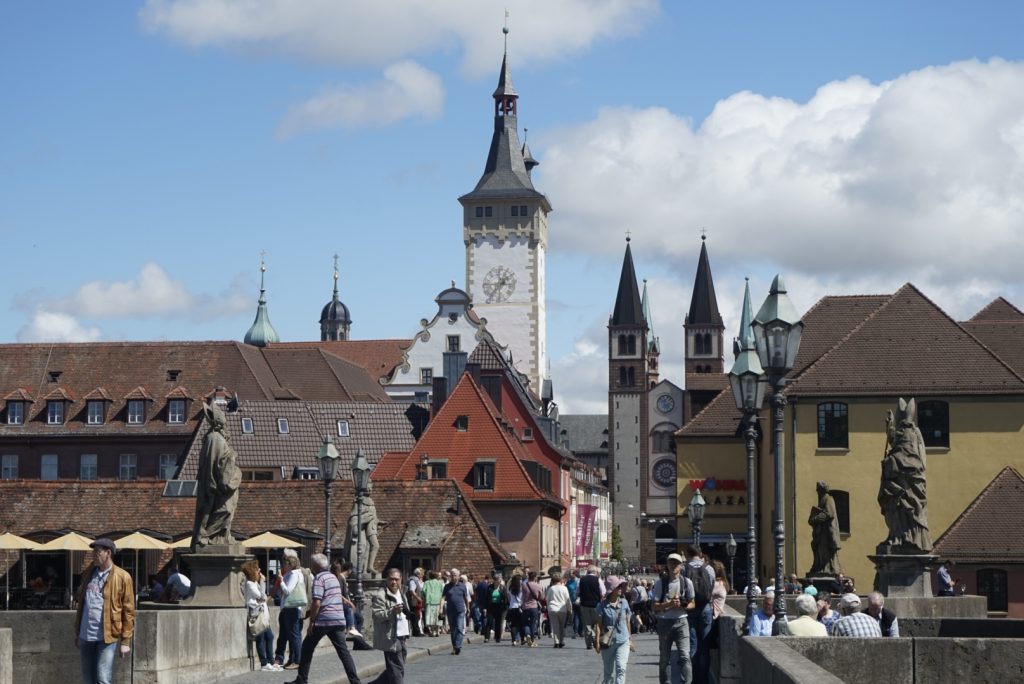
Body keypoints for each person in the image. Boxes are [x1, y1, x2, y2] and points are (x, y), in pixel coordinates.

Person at [285, 553, 361, 684]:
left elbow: (317, 603)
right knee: (344, 653)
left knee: (307, 647)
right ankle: (355, 681)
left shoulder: (319, 579)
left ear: (315, 565)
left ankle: (302, 679)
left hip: (324, 620)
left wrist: (312, 622)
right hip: (338, 619)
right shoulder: (334, 578)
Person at [75, 538, 135, 684]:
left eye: (97, 551)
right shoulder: (89, 573)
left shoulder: (122, 577)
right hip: (85, 636)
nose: (93, 555)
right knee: (88, 679)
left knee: (103, 678)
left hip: (107, 637)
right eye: (93, 551)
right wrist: (77, 633)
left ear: (108, 553)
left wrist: (125, 641)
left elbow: (128, 611)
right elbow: (82, 605)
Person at [191, 401, 242, 549]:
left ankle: (221, 536)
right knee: (225, 509)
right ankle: (207, 536)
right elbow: (213, 465)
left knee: (227, 510)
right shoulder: (214, 438)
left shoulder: (217, 438)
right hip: (218, 487)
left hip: (221, 485)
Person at [651, 553, 693, 684]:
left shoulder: (687, 582)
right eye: (671, 563)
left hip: (682, 621)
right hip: (664, 622)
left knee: (685, 656)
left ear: (681, 566)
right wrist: (669, 604)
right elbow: (654, 606)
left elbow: (693, 603)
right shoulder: (660, 584)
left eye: (676, 563)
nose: (673, 565)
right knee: (664, 658)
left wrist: (683, 605)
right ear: (667, 565)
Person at [367, 568, 411, 684]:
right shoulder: (380, 595)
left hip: (402, 635)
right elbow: (377, 615)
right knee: (397, 671)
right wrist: (392, 612)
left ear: (401, 579)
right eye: (391, 579)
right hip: (390, 637)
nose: (394, 582)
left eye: (397, 579)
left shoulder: (402, 592)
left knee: (396, 668)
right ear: (387, 579)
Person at [241, 559, 281, 671]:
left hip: (262, 614)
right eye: (257, 569)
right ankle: (264, 663)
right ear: (252, 571)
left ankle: (270, 661)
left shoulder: (253, 583)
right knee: (261, 638)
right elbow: (262, 597)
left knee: (269, 636)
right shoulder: (249, 584)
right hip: (256, 615)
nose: (259, 571)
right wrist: (263, 582)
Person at [684, 545, 715, 684]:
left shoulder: (685, 569)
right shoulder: (709, 568)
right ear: (700, 553)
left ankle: (693, 680)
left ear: (687, 554)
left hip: (690, 608)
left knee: (692, 645)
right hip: (705, 608)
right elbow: (712, 587)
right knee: (704, 646)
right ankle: (704, 679)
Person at [595, 576, 634, 684]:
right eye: (619, 586)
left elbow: (627, 622)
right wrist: (597, 641)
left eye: (621, 586)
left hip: (623, 641)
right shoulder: (602, 606)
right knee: (608, 672)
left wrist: (630, 640)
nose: (621, 588)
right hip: (608, 642)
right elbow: (598, 625)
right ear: (612, 590)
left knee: (621, 668)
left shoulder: (624, 603)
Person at [274, 553, 308, 669]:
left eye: (285, 564)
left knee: (294, 636)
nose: (283, 566)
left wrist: (281, 580)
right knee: (288, 634)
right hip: (287, 608)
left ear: (290, 564)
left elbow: (288, 590)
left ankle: (297, 661)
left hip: (292, 608)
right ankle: (291, 659)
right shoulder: (290, 573)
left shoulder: (294, 574)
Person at [808, 481, 842, 575]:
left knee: (825, 551)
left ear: (822, 490)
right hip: (821, 531)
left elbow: (829, 513)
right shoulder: (822, 500)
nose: (817, 492)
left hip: (827, 532)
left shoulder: (828, 499)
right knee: (819, 549)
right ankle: (820, 567)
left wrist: (815, 519)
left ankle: (827, 569)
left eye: (818, 489)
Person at [442, 566, 470, 654]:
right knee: (453, 629)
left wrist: (468, 608)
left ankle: (458, 646)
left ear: (458, 576)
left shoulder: (462, 586)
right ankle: (455, 647)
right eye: (452, 575)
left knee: (460, 627)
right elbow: (443, 598)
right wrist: (440, 608)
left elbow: (466, 598)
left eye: (455, 575)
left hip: (460, 610)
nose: (453, 577)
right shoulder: (447, 586)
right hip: (450, 610)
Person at [578, 565, 604, 649]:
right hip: (596, 605)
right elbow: (603, 592)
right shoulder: (598, 580)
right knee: (596, 623)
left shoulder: (581, 580)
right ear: (595, 572)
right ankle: (593, 638)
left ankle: (588, 644)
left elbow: (577, 592)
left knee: (587, 625)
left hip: (584, 604)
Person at [545, 571, 572, 648]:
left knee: (555, 626)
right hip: (562, 609)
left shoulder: (551, 588)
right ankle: (561, 640)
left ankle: (556, 641)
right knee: (562, 626)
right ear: (560, 580)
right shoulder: (564, 588)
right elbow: (567, 600)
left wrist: (548, 608)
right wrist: (570, 609)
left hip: (552, 608)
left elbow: (547, 599)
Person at [521, 570, 545, 647]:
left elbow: (522, 596)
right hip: (534, 607)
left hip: (525, 607)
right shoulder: (538, 586)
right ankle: (533, 640)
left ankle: (527, 634)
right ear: (535, 577)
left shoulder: (524, 585)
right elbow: (541, 597)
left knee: (525, 623)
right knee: (533, 624)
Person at [486, 574, 508, 643]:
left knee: (498, 623)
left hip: (499, 607)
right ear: (494, 580)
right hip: (491, 606)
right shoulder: (490, 587)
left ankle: (497, 637)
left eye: (499, 580)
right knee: (489, 622)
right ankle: (487, 637)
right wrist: (485, 607)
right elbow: (486, 598)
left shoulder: (502, 588)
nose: (499, 581)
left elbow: (505, 598)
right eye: (497, 580)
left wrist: (505, 606)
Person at [422, 570, 444, 638]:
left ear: (429, 576)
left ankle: (432, 631)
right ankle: (438, 631)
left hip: (429, 601)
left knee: (430, 617)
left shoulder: (426, 582)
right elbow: (443, 592)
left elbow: (423, 591)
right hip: (438, 601)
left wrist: (424, 596)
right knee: (438, 617)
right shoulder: (440, 583)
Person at [507, 573, 525, 645]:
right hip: (519, 607)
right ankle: (522, 639)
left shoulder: (510, 588)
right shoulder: (521, 588)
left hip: (512, 608)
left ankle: (513, 640)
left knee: (513, 625)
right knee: (521, 624)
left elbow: (508, 597)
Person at [405, 567, 424, 637]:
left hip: (416, 601)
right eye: (422, 573)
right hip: (413, 601)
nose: (423, 575)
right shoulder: (412, 580)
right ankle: (416, 632)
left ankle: (417, 631)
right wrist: (418, 598)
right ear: (418, 574)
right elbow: (411, 591)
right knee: (415, 616)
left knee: (417, 616)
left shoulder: (416, 580)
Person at [566, 570, 581, 637]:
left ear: (575, 574)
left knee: (578, 616)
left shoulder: (579, 581)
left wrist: (579, 598)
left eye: (572, 573)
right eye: (570, 573)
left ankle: (579, 631)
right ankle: (576, 631)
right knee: (574, 616)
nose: (570, 574)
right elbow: (566, 591)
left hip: (579, 601)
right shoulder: (568, 582)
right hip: (571, 601)